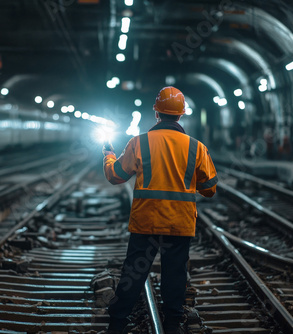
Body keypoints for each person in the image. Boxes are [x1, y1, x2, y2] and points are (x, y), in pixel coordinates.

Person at [102, 86, 218, 334]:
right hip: (179, 224)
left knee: (134, 274)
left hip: (147, 222)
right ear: (181, 115)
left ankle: (118, 323)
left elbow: (116, 176)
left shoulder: (139, 143)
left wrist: (109, 155)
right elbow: (209, 188)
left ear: (156, 114)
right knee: (175, 275)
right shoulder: (196, 147)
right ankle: (174, 324)